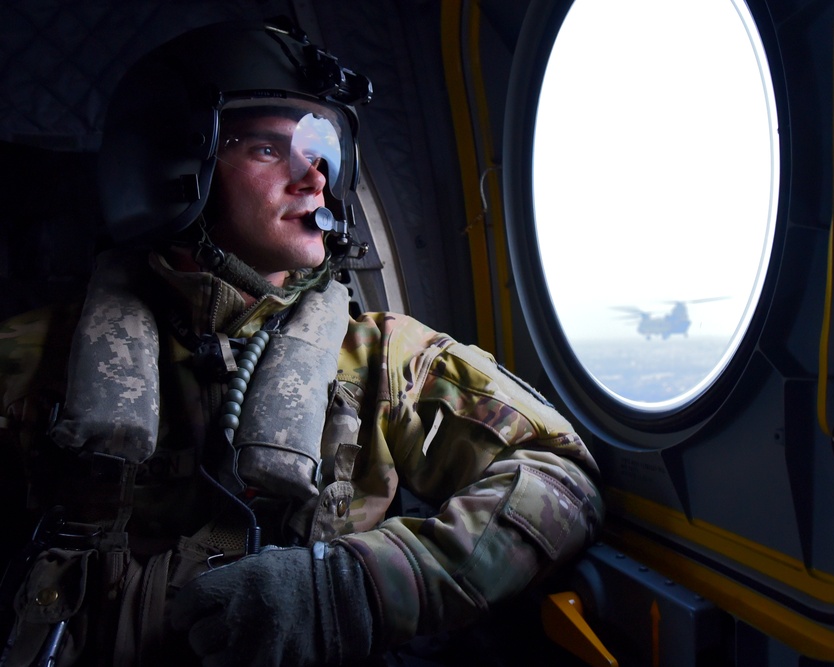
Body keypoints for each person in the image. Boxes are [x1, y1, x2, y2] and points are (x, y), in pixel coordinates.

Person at [0, 18, 603, 667]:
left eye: (321, 150)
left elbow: (559, 478)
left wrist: (351, 589)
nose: (314, 178)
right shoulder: (35, 357)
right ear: (167, 164)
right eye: (267, 149)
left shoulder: (383, 360)